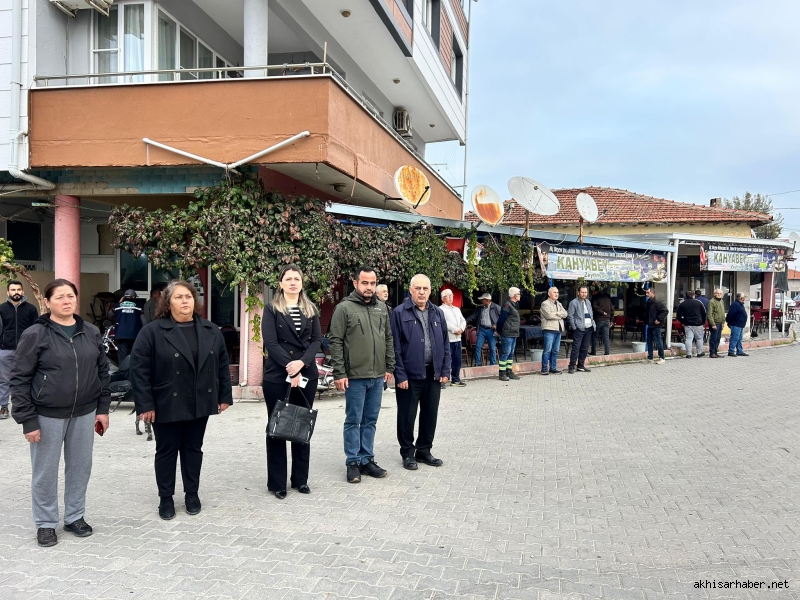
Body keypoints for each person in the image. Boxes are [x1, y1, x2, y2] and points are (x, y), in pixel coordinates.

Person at [10, 279, 110, 547]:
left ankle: (75, 516)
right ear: (47, 302)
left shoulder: (90, 331)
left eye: (70, 296)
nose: (66, 301)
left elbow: (102, 372)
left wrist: (102, 409)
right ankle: (45, 523)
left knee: (80, 468)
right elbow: (19, 379)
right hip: (46, 415)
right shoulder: (35, 334)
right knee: (45, 471)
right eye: (59, 297)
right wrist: (27, 420)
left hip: (85, 412)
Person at [131, 280, 232, 520]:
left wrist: (224, 396)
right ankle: (165, 498)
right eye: (178, 297)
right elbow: (139, 370)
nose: (185, 301)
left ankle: (191, 494)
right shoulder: (152, 331)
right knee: (166, 451)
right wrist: (145, 404)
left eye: (188, 296)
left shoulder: (210, 330)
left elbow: (222, 364)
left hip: (200, 399)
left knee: (193, 449)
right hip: (166, 401)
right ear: (167, 303)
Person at [328, 266, 395, 484]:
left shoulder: (381, 308)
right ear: (355, 283)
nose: (369, 287)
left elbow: (388, 338)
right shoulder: (343, 308)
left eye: (372, 283)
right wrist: (339, 372)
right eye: (365, 283)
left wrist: (389, 366)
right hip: (354, 376)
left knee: (370, 420)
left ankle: (367, 459)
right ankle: (353, 462)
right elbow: (335, 341)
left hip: (377, 376)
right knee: (353, 420)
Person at [261, 265, 322, 499]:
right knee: (277, 427)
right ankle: (277, 483)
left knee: (301, 424)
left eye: (297, 278)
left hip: (306, 374)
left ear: (302, 283)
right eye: (288, 279)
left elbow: (316, 340)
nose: (293, 282)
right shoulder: (272, 309)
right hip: (278, 376)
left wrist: (301, 363)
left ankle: (300, 480)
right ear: (281, 283)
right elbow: (271, 342)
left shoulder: (310, 309)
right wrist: (291, 367)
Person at [391, 274, 450, 470]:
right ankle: (407, 452)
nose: (422, 292)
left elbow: (445, 343)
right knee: (407, 416)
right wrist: (400, 374)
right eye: (418, 288)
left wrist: (445, 369)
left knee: (430, 414)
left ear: (430, 291)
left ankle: (424, 450)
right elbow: (394, 347)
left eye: (425, 288)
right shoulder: (399, 313)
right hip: (409, 375)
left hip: (433, 374)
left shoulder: (437, 313)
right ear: (410, 290)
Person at [0, 280, 39, 420]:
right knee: (4, 380)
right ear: (8, 292)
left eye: (18, 289)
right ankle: (3, 407)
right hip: (5, 349)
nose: (16, 292)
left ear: (22, 291)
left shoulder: (31, 309)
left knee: (28, 378)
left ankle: (29, 406)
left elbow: (36, 330)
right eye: (13, 290)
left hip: (26, 350)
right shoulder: (2, 309)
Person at [439, 289, 467, 388]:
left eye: (451, 295)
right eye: (448, 296)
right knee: (445, 360)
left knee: (457, 361)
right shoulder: (441, 309)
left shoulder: (456, 309)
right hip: (448, 339)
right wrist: (455, 329)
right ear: (443, 298)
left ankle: (455, 379)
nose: (451, 297)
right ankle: (442, 381)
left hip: (458, 339)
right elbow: (444, 322)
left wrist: (461, 329)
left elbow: (463, 320)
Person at [465, 293, 500, 366]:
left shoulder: (496, 307)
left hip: (491, 330)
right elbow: (473, 316)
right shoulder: (481, 308)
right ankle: (477, 363)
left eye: (482, 300)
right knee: (478, 346)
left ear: (487, 300)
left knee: (492, 348)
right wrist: (465, 321)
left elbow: (502, 318)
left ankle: (493, 364)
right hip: (482, 329)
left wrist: (497, 326)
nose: (481, 301)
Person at [495, 287, 522, 382]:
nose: (520, 295)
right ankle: (502, 373)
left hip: (514, 332)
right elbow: (501, 319)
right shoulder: (507, 305)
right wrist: (498, 330)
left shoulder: (515, 304)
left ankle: (509, 371)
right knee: (505, 352)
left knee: (511, 353)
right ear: (514, 295)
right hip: (507, 332)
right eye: (518, 294)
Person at [539, 287, 568, 375]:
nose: (556, 294)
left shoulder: (558, 303)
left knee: (555, 351)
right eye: (554, 292)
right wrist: (560, 315)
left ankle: (553, 368)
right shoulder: (545, 304)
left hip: (558, 330)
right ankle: (544, 369)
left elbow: (565, 314)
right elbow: (549, 316)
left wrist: (556, 313)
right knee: (547, 350)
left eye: (557, 292)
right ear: (549, 294)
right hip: (549, 329)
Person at [567, 286, 595, 374]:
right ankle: (571, 366)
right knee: (576, 348)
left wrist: (593, 324)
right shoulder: (573, 302)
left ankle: (580, 366)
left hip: (589, 328)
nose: (584, 294)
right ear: (578, 292)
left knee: (585, 348)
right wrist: (574, 327)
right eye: (582, 292)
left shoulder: (588, 302)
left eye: (585, 292)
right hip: (579, 328)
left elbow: (591, 314)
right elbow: (570, 315)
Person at [113, 289, 143, 365]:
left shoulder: (118, 306)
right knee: (134, 356)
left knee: (122, 357)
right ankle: (132, 371)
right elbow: (144, 321)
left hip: (121, 335)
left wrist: (119, 303)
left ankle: (123, 371)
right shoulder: (138, 306)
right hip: (134, 335)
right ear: (133, 297)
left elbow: (110, 314)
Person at [677, 290, 707, 358]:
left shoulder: (682, 304)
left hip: (688, 323)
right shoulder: (698, 302)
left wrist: (682, 322)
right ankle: (699, 353)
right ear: (694, 295)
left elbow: (678, 316)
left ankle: (689, 354)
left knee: (689, 338)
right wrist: (703, 322)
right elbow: (704, 313)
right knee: (699, 338)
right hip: (698, 323)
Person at [645, 288, 668, 364]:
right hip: (650, 324)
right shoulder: (649, 302)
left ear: (653, 293)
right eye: (646, 293)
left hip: (656, 325)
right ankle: (650, 357)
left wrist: (659, 319)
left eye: (648, 293)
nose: (647, 294)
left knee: (658, 341)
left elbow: (665, 311)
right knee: (649, 341)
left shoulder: (658, 302)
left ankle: (662, 357)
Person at [590, 288, 614, 356]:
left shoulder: (595, 298)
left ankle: (593, 351)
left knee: (594, 336)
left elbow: (594, 307)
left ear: (595, 291)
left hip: (598, 320)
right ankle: (607, 352)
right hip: (607, 320)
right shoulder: (607, 299)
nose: (591, 293)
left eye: (592, 291)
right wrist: (611, 320)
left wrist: (602, 312)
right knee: (606, 337)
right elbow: (612, 310)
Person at [725, 292, 749, 357]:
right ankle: (731, 351)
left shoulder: (740, 304)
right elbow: (730, 314)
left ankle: (739, 351)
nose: (744, 298)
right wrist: (728, 321)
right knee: (734, 338)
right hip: (736, 324)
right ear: (741, 298)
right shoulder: (735, 304)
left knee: (739, 339)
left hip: (740, 324)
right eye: (744, 297)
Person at [707, 289, 726, 358]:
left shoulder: (721, 301)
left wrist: (723, 322)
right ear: (714, 294)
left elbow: (723, 312)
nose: (719, 295)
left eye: (720, 293)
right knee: (713, 338)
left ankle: (715, 352)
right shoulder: (711, 301)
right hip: (715, 323)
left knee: (718, 338)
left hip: (720, 323)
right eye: (717, 293)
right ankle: (712, 353)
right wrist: (713, 324)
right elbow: (709, 314)